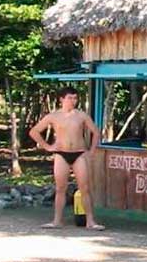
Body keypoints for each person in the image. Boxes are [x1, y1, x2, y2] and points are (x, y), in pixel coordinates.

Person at [29, 87, 104, 230]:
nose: (73, 101)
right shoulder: (53, 116)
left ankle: (90, 221)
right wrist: (47, 146)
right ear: (62, 99)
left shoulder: (81, 115)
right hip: (61, 154)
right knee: (60, 188)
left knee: (85, 188)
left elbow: (95, 132)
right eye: (70, 98)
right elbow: (34, 131)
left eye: (75, 98)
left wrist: (92, 151)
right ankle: (57, 221)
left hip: (79, 153)